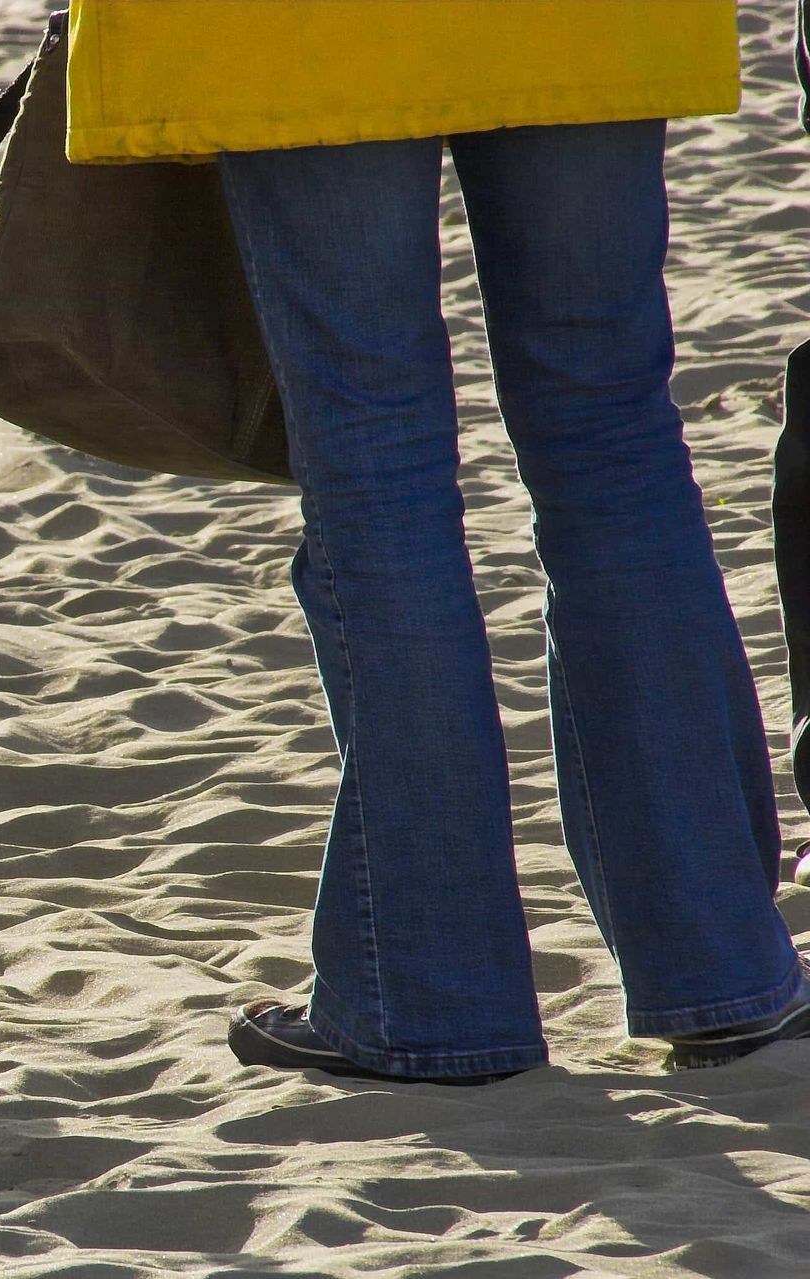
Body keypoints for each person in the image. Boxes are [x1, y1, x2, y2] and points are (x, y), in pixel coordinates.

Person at [66, 0, 809, 1083]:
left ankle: (429, 1000)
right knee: (613, 439)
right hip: (582, 23)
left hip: (296, 34)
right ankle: (724, 968)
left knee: (378, 460)